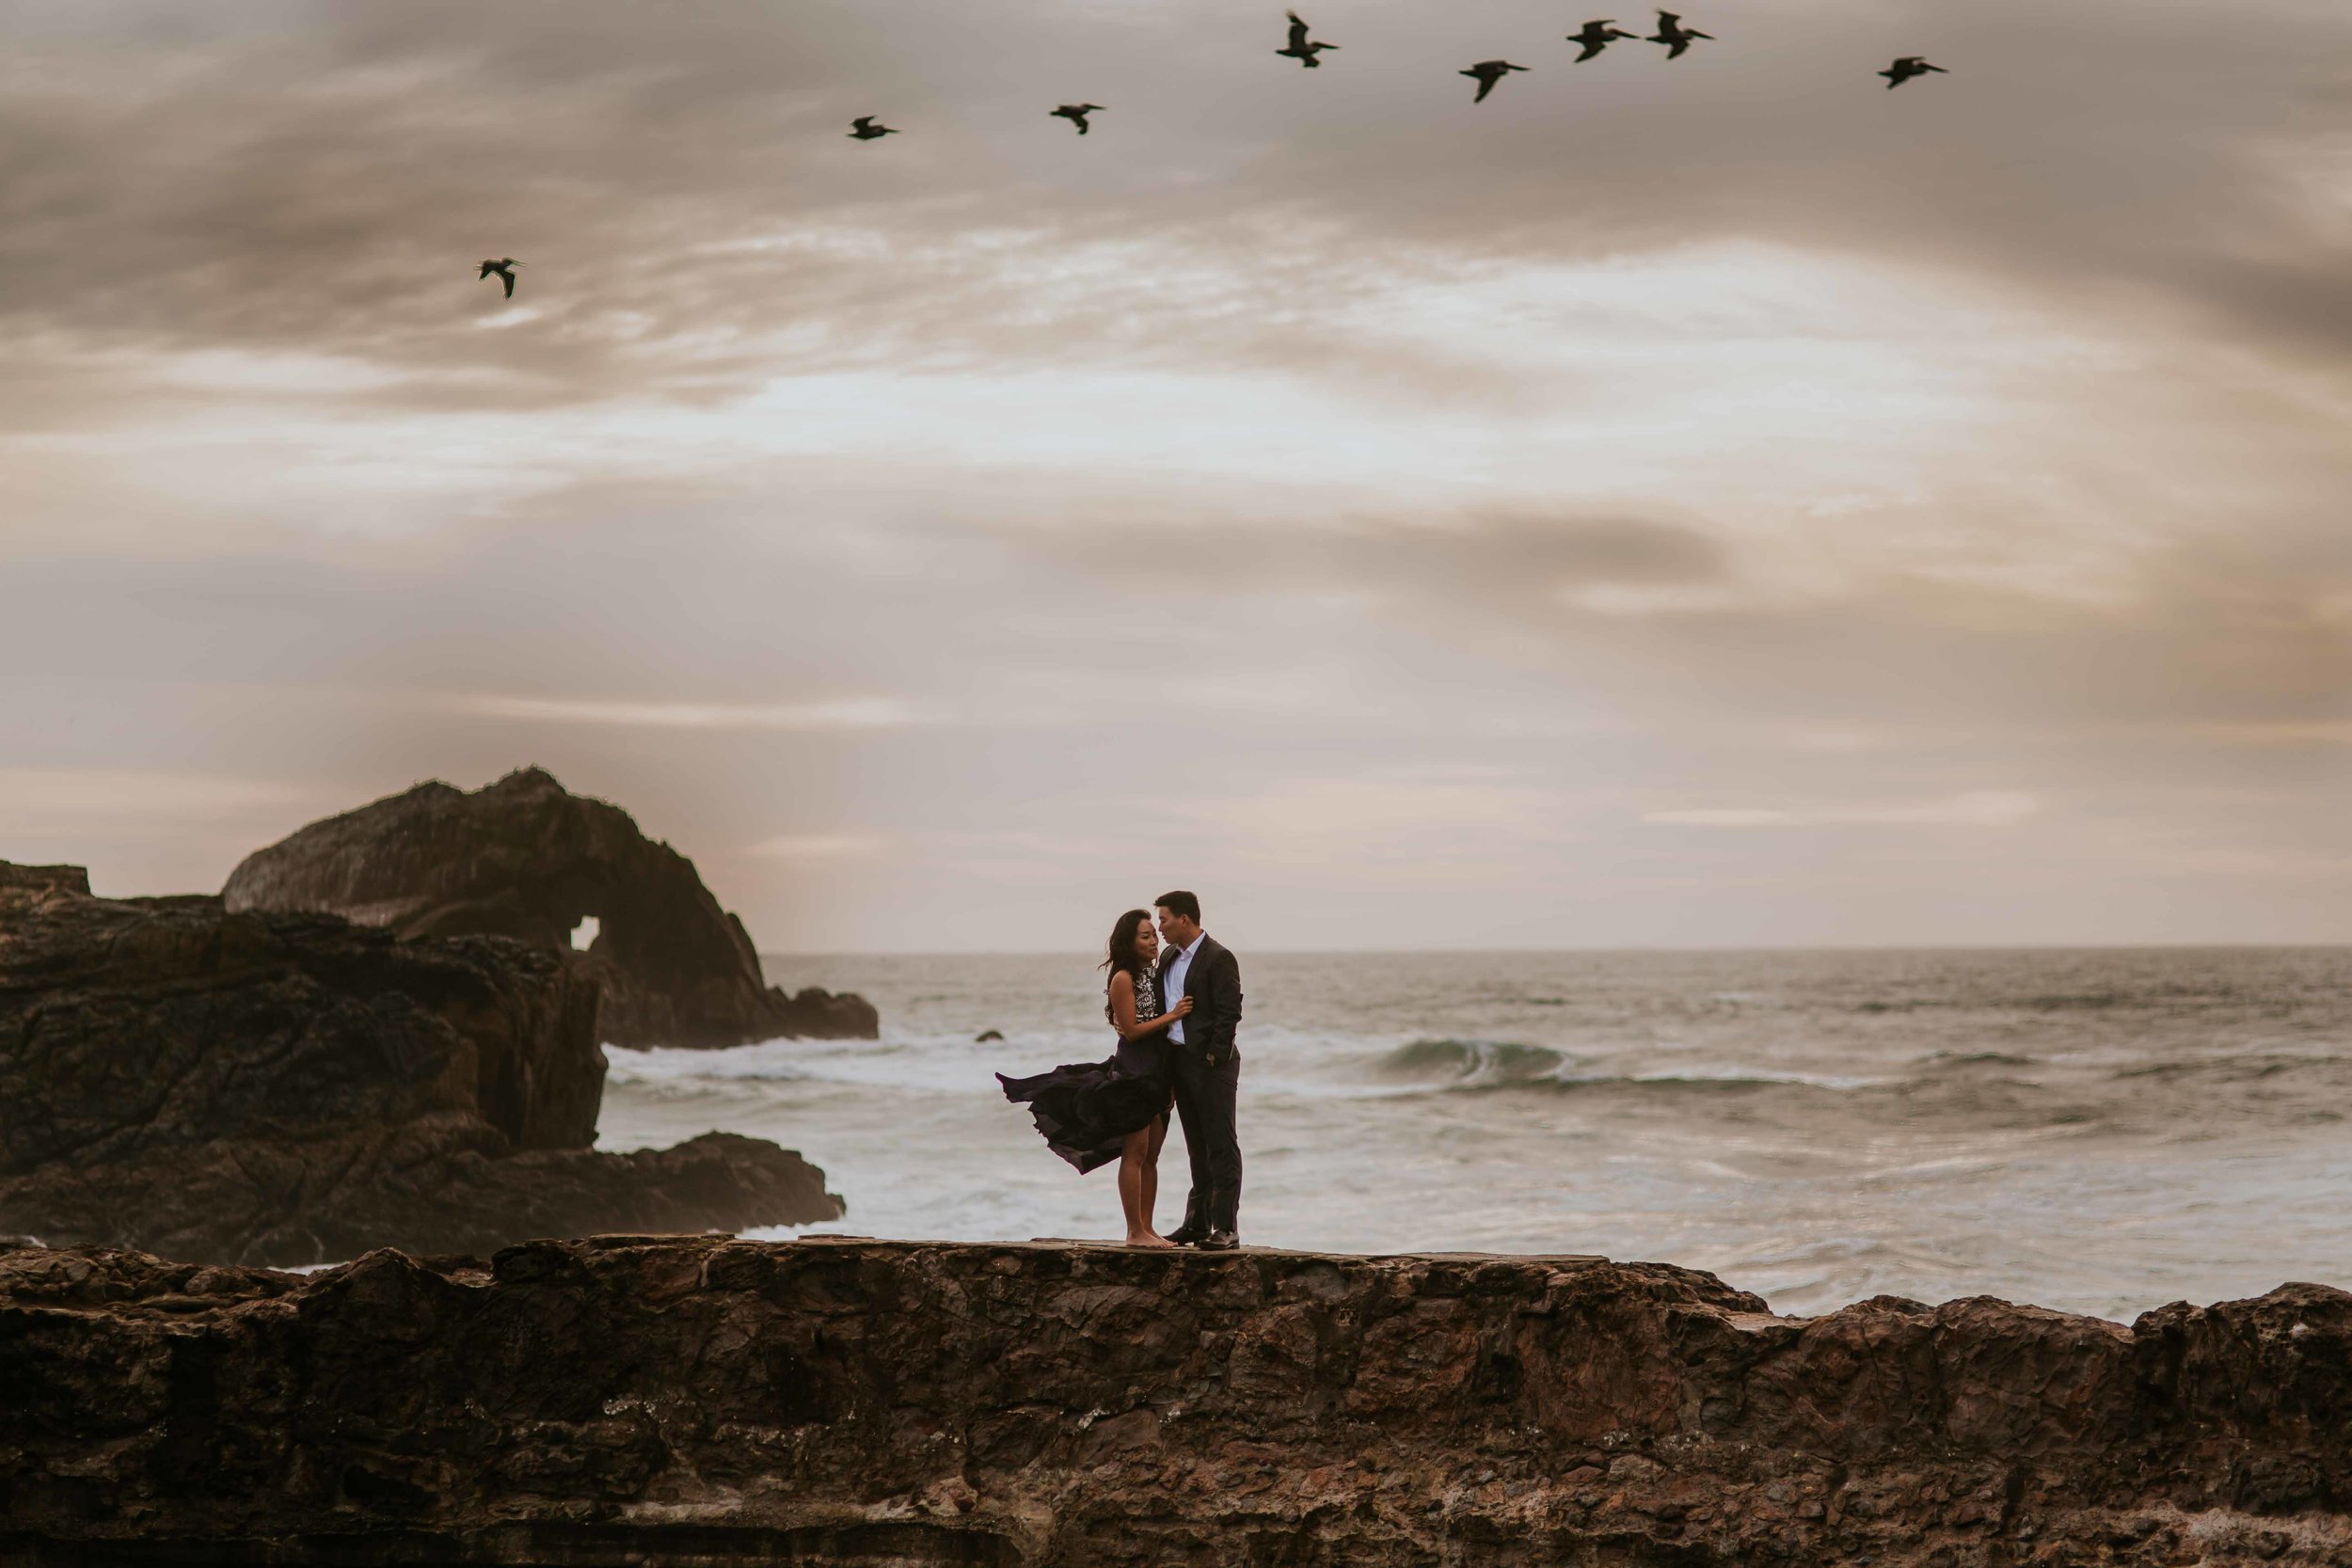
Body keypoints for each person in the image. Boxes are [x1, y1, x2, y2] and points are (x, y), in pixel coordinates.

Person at [996, 909, 1194, 1245]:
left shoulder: (1155, 972)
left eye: (1153, 934)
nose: (1153, 940)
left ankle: (1148, 1229)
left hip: (1160, 1073)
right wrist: (1172, 1016)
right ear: (1128, 943)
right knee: (1135, 1152)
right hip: (1135, 1072)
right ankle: (1134, 1232)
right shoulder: (1123, 977)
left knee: (1152, 1156)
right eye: (1145, 936)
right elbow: (1130, 1031)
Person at [1152, 891, 1244, 1250]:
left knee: (1221, 1144)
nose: (1159, 927)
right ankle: (1196, 1223)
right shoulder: (1169, 956)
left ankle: (1227, 1228)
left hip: (1211, 1064)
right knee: (1196, 1146)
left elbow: (1229, 1011)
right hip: (1179, 1062)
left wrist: (1214, 1056)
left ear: (1184, 919)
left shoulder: (1219, 957)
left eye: (1164, 919)